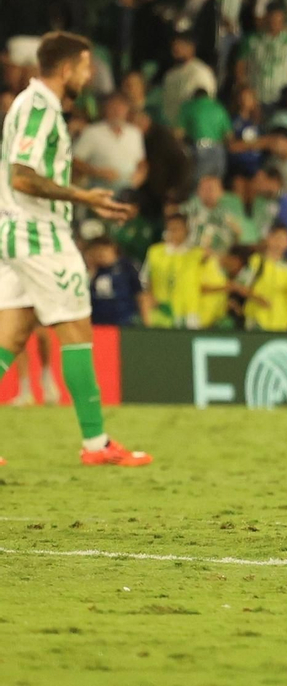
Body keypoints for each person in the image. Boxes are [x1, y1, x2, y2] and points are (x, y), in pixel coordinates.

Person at [0, 32, 150, 466]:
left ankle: (96, 443)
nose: (90, 75)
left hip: (18, 231)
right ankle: (96, 444)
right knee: (76, 332)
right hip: (38, 234)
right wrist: (88, 198)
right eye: (86, 67)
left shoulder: (36, 108)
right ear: (66, 69)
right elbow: (23, 176)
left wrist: (85, 177)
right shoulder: (39, 108)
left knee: (10, 336)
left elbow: (40, 165)